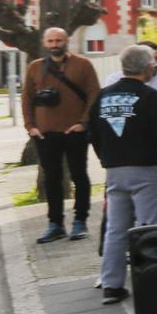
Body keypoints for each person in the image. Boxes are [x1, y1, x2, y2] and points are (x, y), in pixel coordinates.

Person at [90, 46, 157, 304]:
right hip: (149, 170)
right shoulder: (151, 97)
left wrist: (107, 158)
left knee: (116, 229)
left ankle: (111, 284)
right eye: (152, 62)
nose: (154, 66)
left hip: (115, 171)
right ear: (146, 67)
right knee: (150, 228)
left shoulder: (103, 96)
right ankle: (150, 283)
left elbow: (93, 133)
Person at [22, 26, 100, 243]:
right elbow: (27, 98)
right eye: (51, 41)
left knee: (79, 176)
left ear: (66, 41)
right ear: (45, 43)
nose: (54, 45)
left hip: (74, 131)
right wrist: (30, 126)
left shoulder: (83, 65)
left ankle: (80, 222)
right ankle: (55, 224)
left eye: (58, 40)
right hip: (45, 133)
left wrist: (84, 123)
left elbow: (94, 94)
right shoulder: (35, 67)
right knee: (52, 179)